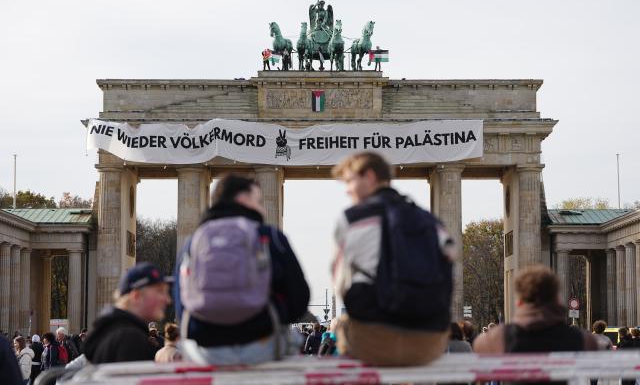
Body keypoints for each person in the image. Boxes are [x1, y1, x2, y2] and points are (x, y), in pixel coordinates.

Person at [331, 152, 456, 366]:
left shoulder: (352, 218)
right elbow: (451, 263)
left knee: (341, 326)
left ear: (369, 176)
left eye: (350, 181)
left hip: (374, 343)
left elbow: (340, 283)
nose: (347, 189)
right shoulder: (430, 221)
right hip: (430, 346)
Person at [175, 174, 310, 365]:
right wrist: (272, 317)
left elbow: (181, 305)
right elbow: (299, 299)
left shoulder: (193, 242)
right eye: (259, 201)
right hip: (261, 347)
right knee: (294, 338)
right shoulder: (270, 237)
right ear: (243, 199)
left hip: (206, 352)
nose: (263, 207)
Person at [473, 265, 597, 355]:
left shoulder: (497, 338)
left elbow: (479, 346)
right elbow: (593, 346)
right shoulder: (581, 339)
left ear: (519, 302)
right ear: (556, 299)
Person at [84, 262, 173, 364]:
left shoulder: (115, 333)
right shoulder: (131, 339)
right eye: (160, 291)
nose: (168, 299)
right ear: (136, 296)